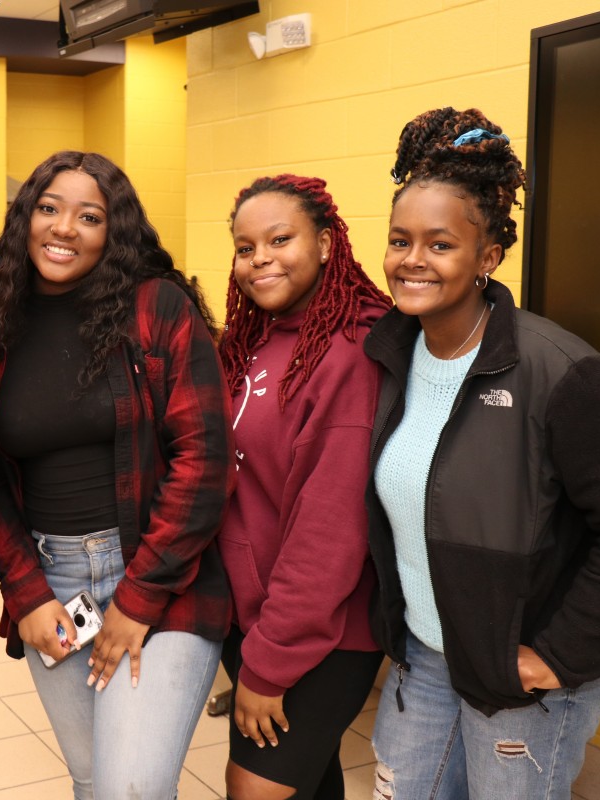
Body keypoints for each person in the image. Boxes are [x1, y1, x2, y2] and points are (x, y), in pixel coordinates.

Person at [365, 106, 600, 799]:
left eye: (440, 244)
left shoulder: (558, 369)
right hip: (425, 658)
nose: (412, 259)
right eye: (399, 240)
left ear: (488, 256)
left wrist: (556, 657)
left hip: (520, 681)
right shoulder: (386, 353)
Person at [0, 150, 235, 800]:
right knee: (93, 783)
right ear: (25, 218)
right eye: (50, 209)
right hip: (54, 585)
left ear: (113, 232)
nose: (64, 228)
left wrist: (138, 598)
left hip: (165, 575)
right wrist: (27, 592)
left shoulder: (155, 308)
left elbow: (204, 460)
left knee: (129, 789)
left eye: (89, 216)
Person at [217, 174, 390, 800]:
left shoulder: (350, 352)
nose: (259, 258)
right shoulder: (254, 338)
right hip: (254, 615)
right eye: (244, 247)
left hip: (320, 631)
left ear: (324, 243)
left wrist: (269, 663)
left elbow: (329, 529)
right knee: (310, 783)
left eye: (279, 239)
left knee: (254, 787)